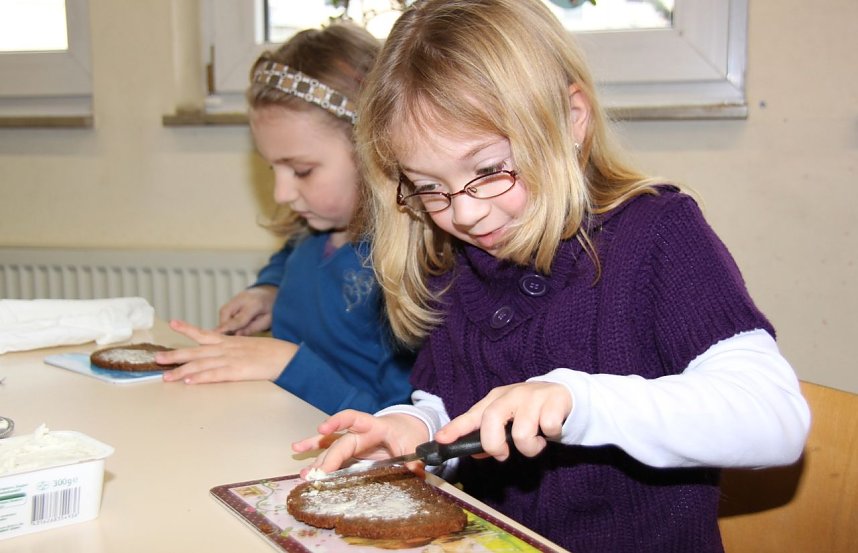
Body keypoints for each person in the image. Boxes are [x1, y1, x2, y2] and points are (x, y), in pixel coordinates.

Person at [291, 1, 811, 551]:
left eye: (488, 170)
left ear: (571, 121)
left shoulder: (658, 235)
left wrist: (579, 401)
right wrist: (413, 428)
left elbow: (775, 419)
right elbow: (457, 405)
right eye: (427, 185)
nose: (463, 214)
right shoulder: (455, 261)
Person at [156, 22, 414, 415]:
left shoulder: (406, 276)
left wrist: (287, 364)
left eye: (302, 170)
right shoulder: (315, 229)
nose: (281, 194)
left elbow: (402, 432)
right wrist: (267, 290)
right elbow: (290, 259)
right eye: (272, 168)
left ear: (374, 151)